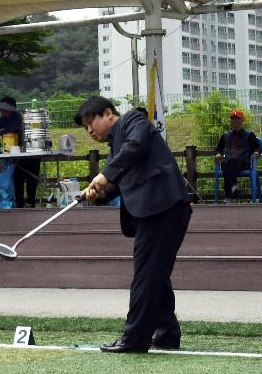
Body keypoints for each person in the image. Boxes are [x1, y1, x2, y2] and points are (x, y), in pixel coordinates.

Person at [75, 96, 191, 353]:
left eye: (90, 122)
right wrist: (100, 194)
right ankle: (167, 334)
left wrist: (104, 175)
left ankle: (135, 338)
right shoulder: (117, 145)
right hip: (157, 211)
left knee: (146, 274)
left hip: (164, 208)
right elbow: (119, 182)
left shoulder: (133, 122)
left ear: (108, 113)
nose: (90, 131)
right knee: (155, 273)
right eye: (85, 128)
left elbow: (135, 147)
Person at [0, 96, 41, 208]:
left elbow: (11, 131)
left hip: (29, 153)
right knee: (17, 179)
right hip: (17, 155)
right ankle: (19, 204)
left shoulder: (19, 119)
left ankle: (31, 203)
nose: (1, 112)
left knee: (31, 180)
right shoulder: (3, 119)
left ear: (9, 110)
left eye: (3, 110)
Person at [214, 110, 260, 200]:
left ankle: (229, 195)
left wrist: (257, 152)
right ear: (231, 121)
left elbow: (257, 147)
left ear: (242, 120)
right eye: (233, 119)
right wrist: (218, 154)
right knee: (227, 163)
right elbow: (218, 149)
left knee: (228, 164)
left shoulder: (249, 135)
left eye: (237, 119)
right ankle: (234, 189)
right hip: (228, 163)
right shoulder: (225, 136)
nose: (235, 121)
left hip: (243, 162)